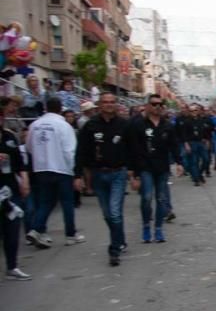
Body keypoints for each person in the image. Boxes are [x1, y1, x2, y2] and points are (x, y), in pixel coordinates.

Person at [76, 93, 130, 266]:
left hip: (118, 173)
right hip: (98, 174)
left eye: (112, 102)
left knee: (114, 213)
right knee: (108, 214)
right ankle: (120, 239)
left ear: (116, 104)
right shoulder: (90, 125)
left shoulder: (123, 124)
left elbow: (133, 148)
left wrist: (134, 172)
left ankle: (114, 249)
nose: (109, 105)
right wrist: (78, 176)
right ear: (99, 105)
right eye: (105, 102)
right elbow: (81, 151)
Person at [25, 97, 84, 248]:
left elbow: (29, 148)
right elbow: (69, 151)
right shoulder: (64, 126)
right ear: (60, 109)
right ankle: (70, 234)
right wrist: (75, 172)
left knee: (45, 202)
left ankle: (37, 228)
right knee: (67, 203)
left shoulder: (35, 125)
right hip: (62, 168)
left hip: (42, 168)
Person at [128, 94, 182, 244]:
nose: (157, 107)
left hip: (162, 167)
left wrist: (179, 162)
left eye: (160, 104)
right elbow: (133, 148)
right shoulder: (139, 124)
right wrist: (132, 172)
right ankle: (146, 226)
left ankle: (158, 228)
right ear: (147, 106)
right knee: (146, 197)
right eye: (154, 104)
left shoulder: (167, 125)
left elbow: (174, 144)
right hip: (145, 167)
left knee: (161, 199)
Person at [0, 97, 31, 280]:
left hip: (10, 189)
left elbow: (20, 164)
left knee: (12, 229)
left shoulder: (9, 136)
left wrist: (25, 181)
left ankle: (12, 266)